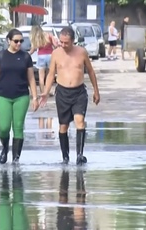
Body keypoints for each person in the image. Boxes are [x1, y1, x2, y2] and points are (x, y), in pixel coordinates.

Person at [39, 27, 100, 165]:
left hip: (79, 93)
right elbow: (50, 74)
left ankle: (79, 155)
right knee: (63, 126)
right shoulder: (56, 53)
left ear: (73, 41)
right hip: (62, 93)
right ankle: (65, 157)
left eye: (66, 42)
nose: (63, 45)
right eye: (61, 42)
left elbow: (90, 71)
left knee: (80, 121)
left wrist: (96, 90)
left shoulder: (81, 52)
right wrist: (46, 91)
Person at [0, 28, 39, 164]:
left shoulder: (26, 57)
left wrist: (35, 97)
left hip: (22, 96)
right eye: (16, 41)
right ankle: (4, 148)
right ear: (9, 41)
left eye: (21, 41)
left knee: (18, 126)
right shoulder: (1, 56)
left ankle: (16, 158)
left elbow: (31, 79)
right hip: (4, 96)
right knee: (4, 127)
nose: (19, 44)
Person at [29, 25, 58, 94]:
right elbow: (55, 46)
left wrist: (27, 54)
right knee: (49, 76)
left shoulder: (36, 38)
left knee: (41, 77)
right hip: (50, 56)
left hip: (41, 56)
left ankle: (42, 92)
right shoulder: (49, 35)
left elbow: (33, 50)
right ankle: (48, 91)